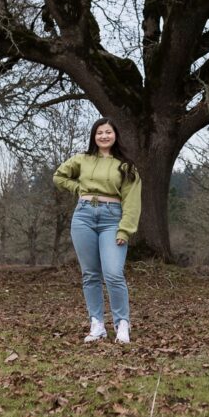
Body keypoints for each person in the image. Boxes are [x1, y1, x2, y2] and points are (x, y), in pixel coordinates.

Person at [53, 118, 141, 344]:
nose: (104, 136)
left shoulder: (126, 166)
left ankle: (122, 323)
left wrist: (125, 230)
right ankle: (97, 324)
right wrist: (78, 189)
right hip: (83, 217)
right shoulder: (82, 159)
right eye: (100, 132)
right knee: (90, 274)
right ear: (94, 136)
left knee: (113, 273)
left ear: (115, 136)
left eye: (108, 132)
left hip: (112, 219)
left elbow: (132, 201)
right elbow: (59, 176)